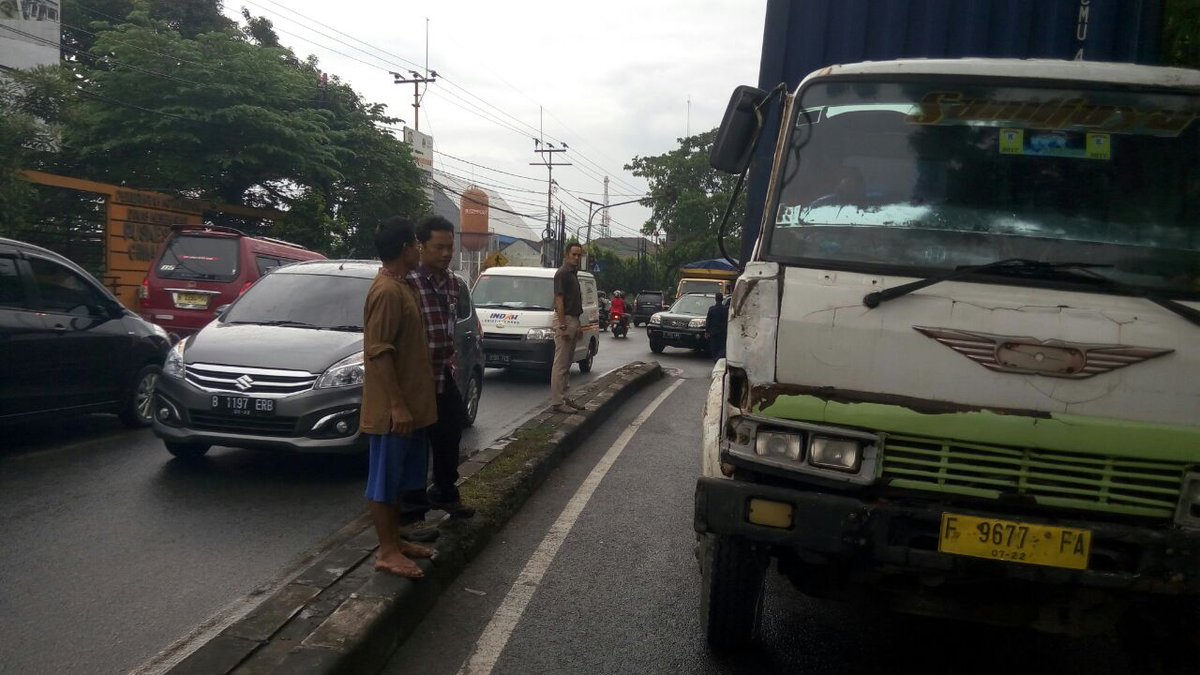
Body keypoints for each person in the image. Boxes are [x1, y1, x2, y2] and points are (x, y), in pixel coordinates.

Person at [360, 216, 439, 579]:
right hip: (394, 412)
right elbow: (380, 351)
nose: (419, 250)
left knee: (402, 482)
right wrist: (396, 404)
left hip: (412, 408)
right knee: (384, 481)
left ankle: (396, 541)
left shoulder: (402, 285)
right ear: (406, 248)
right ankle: (387, 551)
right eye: (416, 244)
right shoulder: (387, 292)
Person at [406, 215, 475, 520]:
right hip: (416, 375)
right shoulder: (408, 281)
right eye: (439, 247)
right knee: (414, 443)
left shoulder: (451, 283)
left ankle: (444, 491)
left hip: (442, 370)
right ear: (420, 246)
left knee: (452, 428)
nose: (446, 253)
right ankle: (411, 508)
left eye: (450, 247)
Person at [551, 243, 585, 414]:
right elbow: (559, 300)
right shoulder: (562, 274)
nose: (576, 258)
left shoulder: (573, 274)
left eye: (579, 255)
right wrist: (563, 325)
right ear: (566, 254)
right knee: (561, 364)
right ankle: (557, 401)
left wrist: (577, 326)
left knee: (568, 362)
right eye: (574, 254)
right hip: (565, 320)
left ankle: (564, 397)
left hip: (574, 319)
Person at [706, 292, 729, 360]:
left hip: (714, 332)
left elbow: (708, 320)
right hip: (723, 332)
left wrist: (707, 331)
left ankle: (715, 359)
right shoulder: (726, 309)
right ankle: (719, 358)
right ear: (722, 299)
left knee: (714, 348)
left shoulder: (711, 309)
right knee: (722, 347)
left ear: (715, 299)